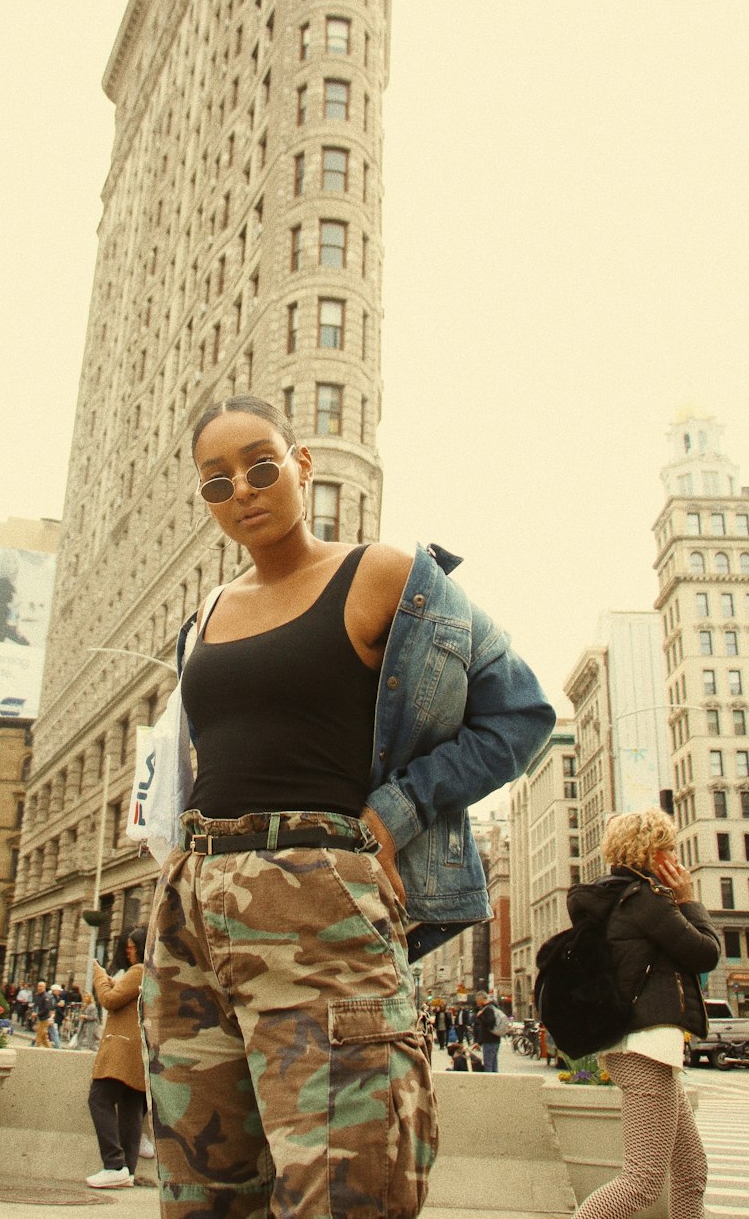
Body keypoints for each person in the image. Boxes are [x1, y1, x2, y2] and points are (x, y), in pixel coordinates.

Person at [141, 395, 555, 1219]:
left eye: (261, 465)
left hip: (320, 904)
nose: (244, 491)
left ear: (302, 463)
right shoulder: (207, 614)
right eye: (217, 482)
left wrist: (397, 810)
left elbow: (522, 712)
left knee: (348, 1186)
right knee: (203, 1191)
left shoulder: (387, 576)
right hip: (192, 910)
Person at [568, 807, 720, 1219]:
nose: (675, 857)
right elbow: (705, 953)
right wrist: (688, 899)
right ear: (651, 853)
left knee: (690, 1171)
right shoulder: (647, 902)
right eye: (668, 848)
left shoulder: (617, 898)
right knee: (643, 1181)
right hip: (646, 1049)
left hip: (640, 1047)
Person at [86, 927, 147, 1191]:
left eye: (133, 946)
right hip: (138, 1049)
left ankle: (113, 1164)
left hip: (122, 1047)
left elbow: (110, 1000)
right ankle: (128, 1170)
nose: (128, 951)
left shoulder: (139, 970)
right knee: (131, 1106)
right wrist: (113, 983)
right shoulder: (150, 971)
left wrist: (99, 976)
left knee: (99, 1099)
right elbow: (123, 994)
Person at [473, 992, 502, 1073]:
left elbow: (489, 1023)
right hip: (494, 1039)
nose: (477, 1003)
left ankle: (489, 1082)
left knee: (488, 1064)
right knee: (493, 1063)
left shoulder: (488, 1009)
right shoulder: (492, 1007)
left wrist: (480, 1016)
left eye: (477, 1001)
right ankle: (495, 1081)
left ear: (481, 1000)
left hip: (489, 1041)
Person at [32, 980, 54, 1048]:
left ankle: (37, 1049)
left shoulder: (46, 996)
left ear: (44, 987)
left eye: (41, 986)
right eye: (38, 986)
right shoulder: (39, 995)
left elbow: (47, 1008)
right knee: (44, 1037)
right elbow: (37, 1005)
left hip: (45, 1018)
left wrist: (37, 1014)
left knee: (39, 1035)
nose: (39, 988)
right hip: (41, 1018)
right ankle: (50, 1050)